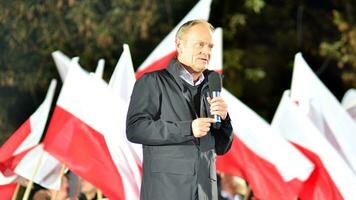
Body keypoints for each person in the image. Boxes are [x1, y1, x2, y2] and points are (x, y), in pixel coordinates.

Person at [126, 19, 233, 200]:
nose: (206, 51)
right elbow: (135, 128)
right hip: (167, 192)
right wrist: (188, 129)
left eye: (210, 46)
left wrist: (224, 120)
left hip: (206, 193)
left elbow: (221, 147)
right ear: (179, 45)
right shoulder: (153, 82)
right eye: (200, 44)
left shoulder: (212, 86)